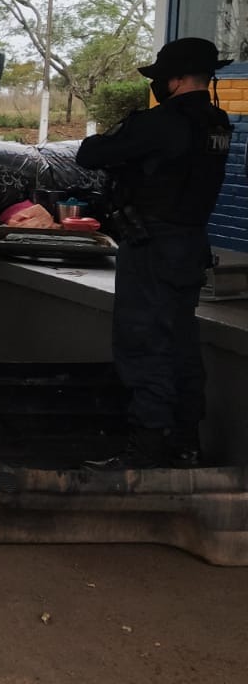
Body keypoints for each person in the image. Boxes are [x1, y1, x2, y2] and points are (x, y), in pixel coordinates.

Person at [76, 37, 231, 468]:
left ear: (177, 79)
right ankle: (185, 441)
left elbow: (92, 154)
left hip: (152, 246)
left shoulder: (161, 122)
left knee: (144, 345)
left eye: (163, 78)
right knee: (181, 343)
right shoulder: (217, 123)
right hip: (190, 246)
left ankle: (148, 448)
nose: (160, 85)